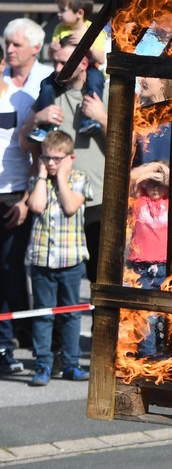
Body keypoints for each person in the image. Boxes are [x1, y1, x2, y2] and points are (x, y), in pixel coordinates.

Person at [19, 38, 107, 286]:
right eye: (55, 62)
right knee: (56, 285)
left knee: (99, 279)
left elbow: (128, 148)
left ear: (83, 63)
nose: (57, 69)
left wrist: (102, 118)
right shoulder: (48, 94)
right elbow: (25, 143)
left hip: (95, 200)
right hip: (55, 202)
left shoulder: (104, 92)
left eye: (63, 63)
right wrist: (36, 119)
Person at [0, 18, 51, 376]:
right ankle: (7, 343)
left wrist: (27, 194)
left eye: (16, 44)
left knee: (19, 267)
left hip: (24, 190)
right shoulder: (2, 80)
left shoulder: (46, 81)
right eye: (7, 43)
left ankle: (32, 334)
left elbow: (41, 147)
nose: (9, 49)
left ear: (35, 47)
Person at [24, 130, 93, 386]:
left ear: (70, 158)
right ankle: (43, 363)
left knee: (71, 314)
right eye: (46, 158)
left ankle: (71, 363)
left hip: (71, 261)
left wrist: (62, 178)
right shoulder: (37, 182)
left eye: (56, 158)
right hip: (42, 261)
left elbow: (70, 206)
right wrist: (41, 176)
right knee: (43, 314)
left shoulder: (79, 180)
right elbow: (36, 206)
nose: (51, 163)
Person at [31, 0, 108, 140]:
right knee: (46, 84)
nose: (58, 14)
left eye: (62, 10)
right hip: (65, 70)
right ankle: (46, 124)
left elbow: (101, 57)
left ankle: (90, 119)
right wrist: (53, 50)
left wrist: (87, 45)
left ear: (79, 13)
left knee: (96, 81)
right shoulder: (60, 29)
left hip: (90, 69)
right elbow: (53, 56)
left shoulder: (93, 30)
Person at [126, 161, 169, 356]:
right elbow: (130, 179)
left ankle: (164, 349)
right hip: (141, 267)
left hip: (165, 265)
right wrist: (151, 169)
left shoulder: (171, 200)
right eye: (151, 183)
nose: (155, 188)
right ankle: (147, 352)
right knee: (145, 313)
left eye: (159, 184)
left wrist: (164, 173)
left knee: (166, 314)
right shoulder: (140, 201)